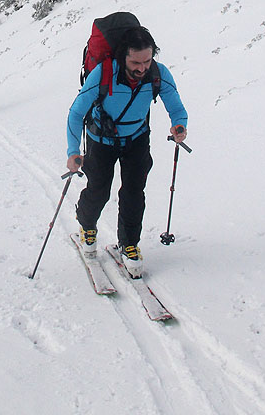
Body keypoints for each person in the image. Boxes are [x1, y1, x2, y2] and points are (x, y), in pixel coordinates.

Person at [66, 25, 187, 277]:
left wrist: (179, 126)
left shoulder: (158, 74)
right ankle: (87, 226)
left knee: (134, 193)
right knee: (99, 190)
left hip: (137, 139)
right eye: (135, 62)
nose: (142, 68)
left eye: (147, 60)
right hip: (102, 140)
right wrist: (72, 150)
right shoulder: (103, 74)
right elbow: (76, 112)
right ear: (123, 56)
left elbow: (176, 107)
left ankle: (129, 243)